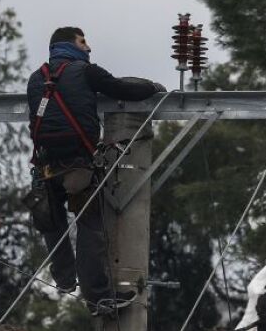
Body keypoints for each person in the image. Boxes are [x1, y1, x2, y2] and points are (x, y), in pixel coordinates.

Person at [26, 26, 165, 315]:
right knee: (91, 227)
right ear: (70, 45)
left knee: (52, 222)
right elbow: (122, 89)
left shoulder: (36, 78)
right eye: (83, 41)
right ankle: (99, 297)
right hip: (78, 167)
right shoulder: (85, 72)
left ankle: (64, 279)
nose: (88, 48)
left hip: (45, 167)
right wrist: (152, 87)